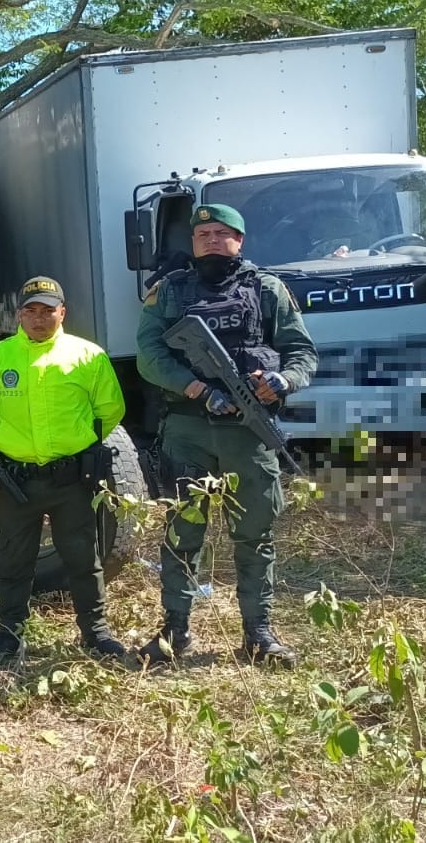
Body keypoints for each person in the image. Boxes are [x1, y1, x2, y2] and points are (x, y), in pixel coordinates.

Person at [135, 203, 318, 668]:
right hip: (188, 429)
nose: (212, 240)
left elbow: (301, 352)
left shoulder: (267, 290)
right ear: (192, 242)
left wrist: (283, 381)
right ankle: (174, 632)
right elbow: (150, 356)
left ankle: (258, 633)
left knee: (254, 535)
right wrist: (197, 388)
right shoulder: (169, 292)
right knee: (182, 532)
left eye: (222, 233)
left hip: (248, 432)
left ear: (240, 239)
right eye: (203, 234)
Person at [0, 276, 127, 664]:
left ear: (62, 313)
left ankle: (95, 633)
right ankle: (9, 637)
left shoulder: (88, 356)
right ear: (19, 314)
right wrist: (14, 444)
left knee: (82, 559)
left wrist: (74, 443)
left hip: (71, 480)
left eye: (47, 311)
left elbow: (110, 411)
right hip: (17, 482)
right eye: (31, 311)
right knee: (13, 560)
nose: (39, 319)